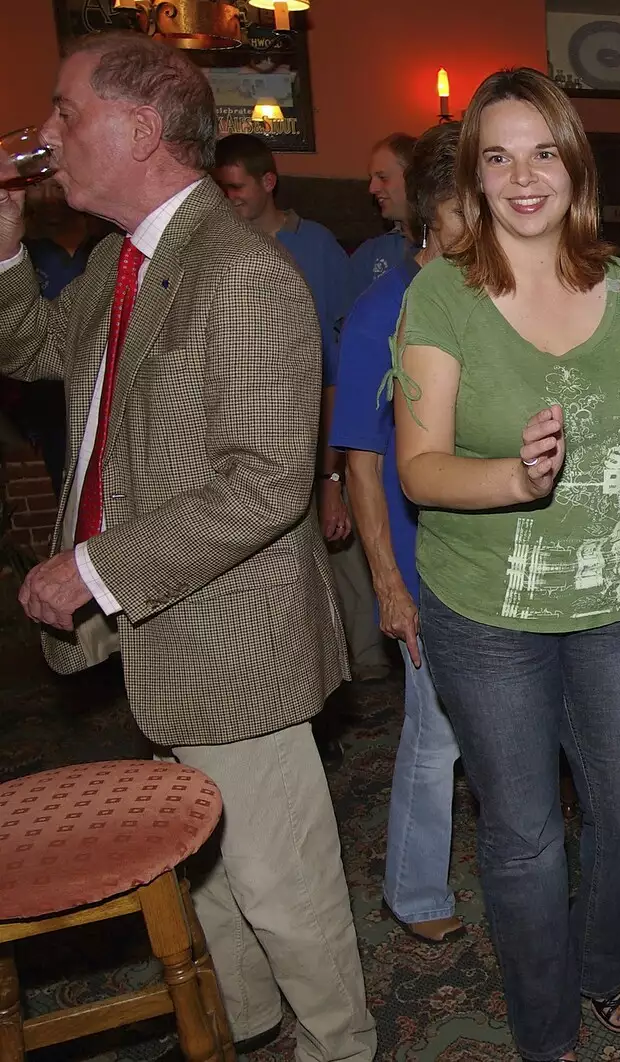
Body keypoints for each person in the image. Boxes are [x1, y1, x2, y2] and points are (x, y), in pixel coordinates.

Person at [0, 32, 375, 1062]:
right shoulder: (128, 260)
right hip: (169, 631)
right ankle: (247, 1027)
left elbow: (261, 484)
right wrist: (1, 245)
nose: (44, 135)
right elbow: (31, 346)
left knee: (283, 890)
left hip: (236, 645)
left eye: (65, 112)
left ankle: (340, 1047)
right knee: (208, 866)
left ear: (140, 129)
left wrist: (89, 568)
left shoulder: (242, 274)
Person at [392, 67, 620, 1062]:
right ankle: (544, 1030)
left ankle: (599, 957)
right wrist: (516, 480)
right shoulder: (443, 292)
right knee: (524, 839)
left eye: (543, 152)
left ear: (574, 165)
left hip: (612, 604)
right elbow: (420, 468)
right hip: (482, 613)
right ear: (474, 176)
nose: (524, 176)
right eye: (498, 156)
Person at [331, 121, 466, 943]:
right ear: (432, 212)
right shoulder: (383, 307)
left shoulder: (488, 298)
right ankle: (414, 891)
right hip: (422, 564)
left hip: (496, 561)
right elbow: (362, 460)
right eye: (466, 213)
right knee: (436, 734)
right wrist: (387, 582)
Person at [213, 133, 389, 699]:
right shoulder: (217, 245)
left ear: (268, 183)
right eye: (221, 188)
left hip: (317, 417)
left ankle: (365, 659)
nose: (229, 197)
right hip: (246, 425)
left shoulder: (313, 245)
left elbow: (341, 351)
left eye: (236, 186)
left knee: (340, 542)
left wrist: (330, 467)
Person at [5, 179, 108, 490]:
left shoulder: (108, 243)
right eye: (38, 187)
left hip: (106, 392)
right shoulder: (19, 250)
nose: (48, 198)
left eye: (56, 187)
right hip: (49, 403)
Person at [349, 132, 417, 295]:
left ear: (414, 179)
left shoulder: (449, 249)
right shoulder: (369, 255)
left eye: (383, 177)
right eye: (371, 179)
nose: (372, 189)